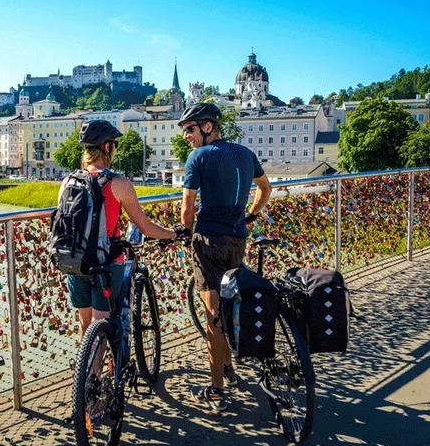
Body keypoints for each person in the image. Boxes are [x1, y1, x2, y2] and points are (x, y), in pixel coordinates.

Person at [178, 103, 273, 410]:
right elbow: (265, 187)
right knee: (230, 304)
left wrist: (185, 232)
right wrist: (251, 215)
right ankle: (230, 368)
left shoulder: (198, 157)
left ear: (207, 127)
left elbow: (187, 209)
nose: (186, 137)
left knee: (213, 318)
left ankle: (216, 389)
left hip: (208, 242)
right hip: (237, 239)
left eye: (189, 129)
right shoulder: (245, 154)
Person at [61, 120, 189, 338]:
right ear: (107, 147)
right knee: (100, 324)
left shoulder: (68, 181)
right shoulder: (119, 183)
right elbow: (146, 227)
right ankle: (96, 373)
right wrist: (175, 233)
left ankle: (87, 370)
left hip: (73, 260)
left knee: (85, 324)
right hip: (106, 262)